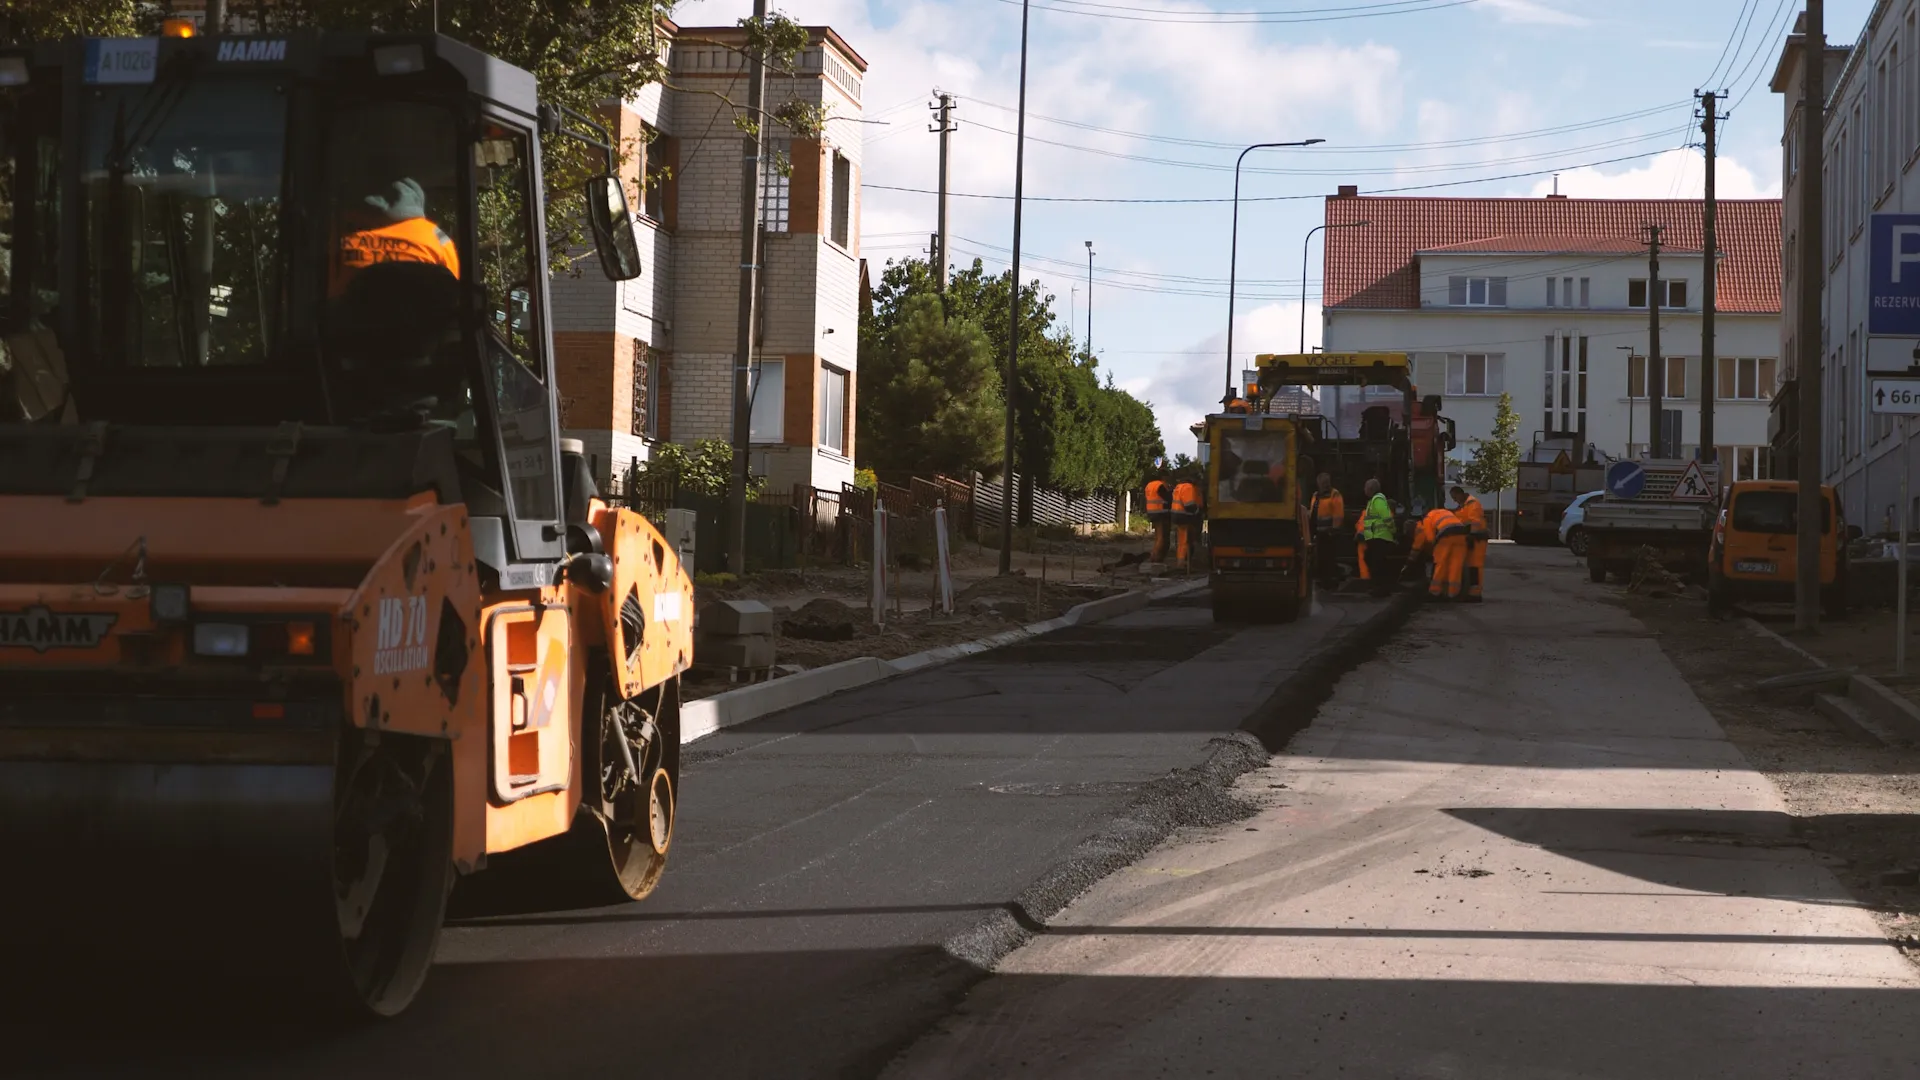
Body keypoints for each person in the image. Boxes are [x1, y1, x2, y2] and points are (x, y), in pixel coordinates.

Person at [330, 177, 461, 298]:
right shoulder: (437, 236)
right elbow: (453, 291)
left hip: (352, 321)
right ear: (417, 199)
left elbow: (325, 289)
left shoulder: (339, 230)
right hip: (420, 320)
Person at [1409, 504, 1468, 601]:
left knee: (1440, 563)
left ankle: (1435, 592)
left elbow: (1430, 538)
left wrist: (1431, 551)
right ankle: (1453, 593)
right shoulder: (1445, 512)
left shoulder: (1426, 519)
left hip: (1446, 536)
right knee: (1456, 565)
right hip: (1462, 534)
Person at [1354, 479, 1397, 597]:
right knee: (1373, 561)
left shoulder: (1377, 500)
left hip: (1379, 537)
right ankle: (1379, 587)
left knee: (1377, 564)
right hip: (1375, 537)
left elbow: (1387, 517)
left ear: (1370, 489)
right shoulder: (1374, 501)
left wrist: (1392, 530)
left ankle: (1380, 589)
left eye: (1365, 488)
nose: (1364, 490)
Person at [1450, 484, 1488, 603]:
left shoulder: (1472, 504)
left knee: (1475, 566)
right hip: (1472, 539)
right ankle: (1472, 592)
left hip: (1477, 540)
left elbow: (1475, 522)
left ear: (1460, 494)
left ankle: (1475, 594)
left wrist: (1472, 536)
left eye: (1455, 497)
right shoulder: (1464, 505)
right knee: (1472, 566)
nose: (1454, 500)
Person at [1309, 473, 1346, 589]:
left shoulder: (1334, 494)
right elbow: (1313, 513)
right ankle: (1324, 580)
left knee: (1329, 558)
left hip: (1329, 533)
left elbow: (1338, 514)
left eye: (1326, 482)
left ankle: (1330, 581)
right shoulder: (1316, 495)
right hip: (1319, 532)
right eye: (1322, 482)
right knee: (1321, 558)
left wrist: (1334, 529)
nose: (1324, 485)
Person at [1171, 477, 1203, 570]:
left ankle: (1180, 562)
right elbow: (1189, 505)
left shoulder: (1178, 487)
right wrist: (1197, 513)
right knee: (1187, 540)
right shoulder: (1189, 487)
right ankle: (1185, 563)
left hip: (1176, 515)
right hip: (1185, 516)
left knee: (1182, 541)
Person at [1144, 473, 1173, 563]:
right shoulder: (1160, 485)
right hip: (1161, 513)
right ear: (1163, 477)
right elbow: (1168, 498)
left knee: (1158, 536)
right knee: (1162, 537)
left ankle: (1155, 555)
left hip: (1152, 512)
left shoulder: (1149, 485)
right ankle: (1155, 556)